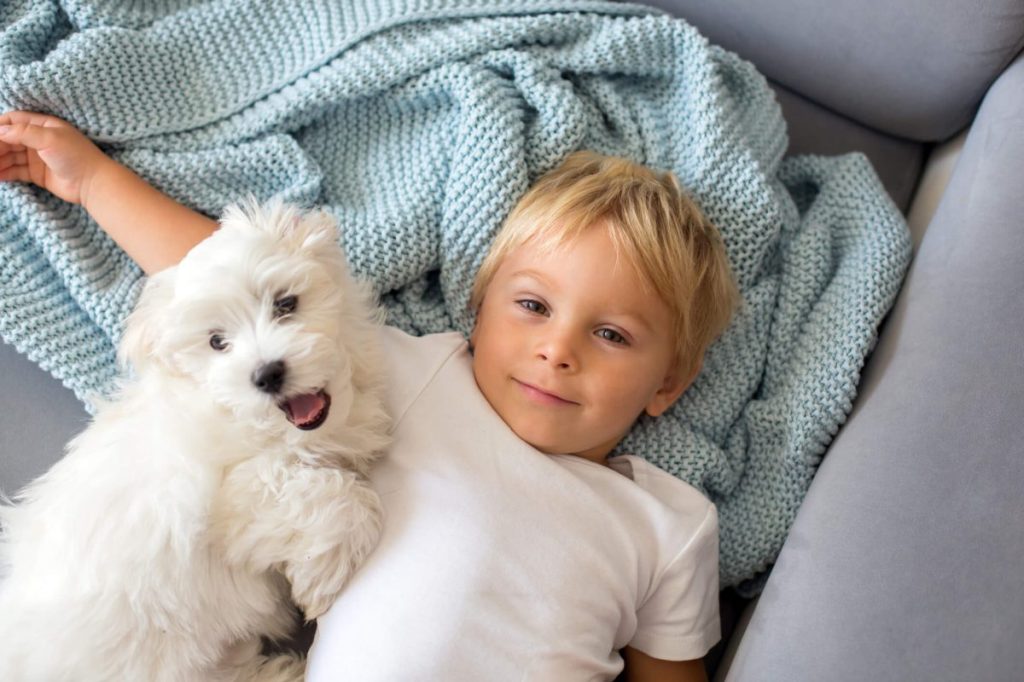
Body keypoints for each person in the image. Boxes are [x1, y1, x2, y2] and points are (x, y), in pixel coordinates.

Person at [0, 110, 739, 681]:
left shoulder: (668, 524)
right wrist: (90, 180)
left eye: (611, 335)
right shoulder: (421, 379)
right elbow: (227, 278)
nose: (557, 350)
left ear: (667, 384)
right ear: (477, 316)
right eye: (533, 307)